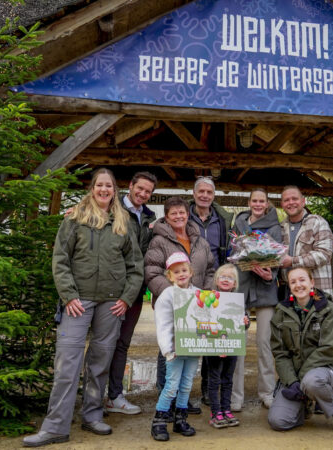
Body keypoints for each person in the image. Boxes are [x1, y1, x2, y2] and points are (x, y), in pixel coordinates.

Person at [23, 168, 143, 447]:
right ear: (92, 189)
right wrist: (69, 296)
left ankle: (92, 415)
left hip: (111, 304)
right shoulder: (74, 218)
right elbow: (60, 260)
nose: (104, 190)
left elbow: (135, 267)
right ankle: (55, 426)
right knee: (67, 364)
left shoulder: (122, 223)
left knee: (99, 363)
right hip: (78, 302)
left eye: (109, 186)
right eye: (100, 185)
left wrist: (125, 298)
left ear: (115, 191)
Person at [144, 196, 215, 415]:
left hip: (197, 303)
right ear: (167, 216)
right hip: (172, 301)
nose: (178, 216)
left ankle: (182, 401)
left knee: (191, 349)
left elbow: (211, 268)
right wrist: (173, 295)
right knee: (169, 346)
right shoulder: (159, 240)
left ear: (188, 214)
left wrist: (206, 293)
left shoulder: (199, 240)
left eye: (181, 212)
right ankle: (166, 397)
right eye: (173, 213)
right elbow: (152, 271)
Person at [268, 267, 333, 434]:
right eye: (293, 282)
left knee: (312, 381)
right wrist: (292, 381)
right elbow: (280, 353)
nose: (298, 285)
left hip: (325, 371)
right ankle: (304, 403)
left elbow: (330, 349)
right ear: (288, 286)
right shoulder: (280, 313)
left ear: (312, 282)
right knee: (278, 421)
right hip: (295, 377)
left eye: (302, 280)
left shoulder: (329, 310)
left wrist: (302, 376)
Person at [104, 171, 157, 415]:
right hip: (110, 287)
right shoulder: (111, 209)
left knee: (122, 343)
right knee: (103, 343)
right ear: (130, 186)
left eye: (148, 192)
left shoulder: (148, 218)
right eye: (140, 189)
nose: (143, 194)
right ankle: (95, 396)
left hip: (135, 290)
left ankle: (114, 395)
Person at [230, 188, 281, 411]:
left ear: (267, 204)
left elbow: (278, 258)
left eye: (262, 201)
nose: (258, 204)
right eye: (254, 201)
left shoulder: (275, 227)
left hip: (265, 289)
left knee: (264, 344)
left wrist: (271, 275)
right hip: (240, 288)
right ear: (249, 202)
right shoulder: (239, 223)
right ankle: (235, 397)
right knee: (236, 345)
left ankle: (267, 392)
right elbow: (231, 252)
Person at [188, 176, 233, 408]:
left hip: (214, 287)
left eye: (209, 192)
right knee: (181, 335)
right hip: (187, 284)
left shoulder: (222, 220)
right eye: (201, 191)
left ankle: (207, 389)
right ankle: (173, 391)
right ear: (194, 194)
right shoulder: (183, 216)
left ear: (214, 196)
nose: (205, 195)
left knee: (210, 339)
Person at [151, 252, 200, 441]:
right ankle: (159, 421)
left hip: (192, 348)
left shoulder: (197, 294)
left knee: (187, 385)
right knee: (171, 385)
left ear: (190, 272)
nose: (181, 274)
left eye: (184, 270)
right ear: (169, 276)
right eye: (176, 272)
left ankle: (180, 420)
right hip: (174, 350)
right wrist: (167, 350)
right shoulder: (167, 295)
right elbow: (163, 325)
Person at [205, 263, 249, 429]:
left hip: (232, 346)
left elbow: (242, 324)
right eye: (222, 276)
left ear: (235, 283)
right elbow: (206, 321)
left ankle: (226, 409)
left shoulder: (237, 301)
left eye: (230, 277)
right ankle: (215, 412)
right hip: (214, 347)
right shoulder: (209, 297)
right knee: (214, 379)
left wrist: (245, 322)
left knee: (228, 379)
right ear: (216, 280)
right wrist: (218, 346)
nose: (226, 280)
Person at [279, 186, 333, 300]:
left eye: (295, 199)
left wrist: (292, 261)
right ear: (282, 204)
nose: (291, 202)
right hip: (289, 294)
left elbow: (324, 254)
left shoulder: (318, 222)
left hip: (317, 294)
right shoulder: (280, 228)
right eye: (286, 200)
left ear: (303, 201)